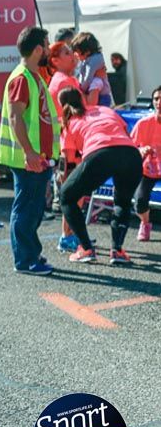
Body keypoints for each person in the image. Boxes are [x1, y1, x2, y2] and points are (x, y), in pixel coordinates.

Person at [0, 27, 60, 276]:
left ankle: (30, 253)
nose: (48, 50)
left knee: (33, 208)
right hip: (28, 159)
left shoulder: (33, 76)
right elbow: (15, 117)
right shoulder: (22, 77)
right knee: (26, 208)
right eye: (46, 45)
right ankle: (25, 260)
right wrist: (29, 152)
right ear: (37, 50)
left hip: (37, 158)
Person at [56, 86, 142, 264]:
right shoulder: (105, 109)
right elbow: (123, 135)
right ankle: (117, 251)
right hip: (131, 155)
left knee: (66, 196)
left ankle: (86, 248)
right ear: (82, 98)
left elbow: (70, 161)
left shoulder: (69, 122)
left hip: (99, 154)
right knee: (122, 202)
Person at [47, 41, 86, 253]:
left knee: (71, 189)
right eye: (67, 53)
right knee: (74, 190)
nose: (73, 55)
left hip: (66, 141)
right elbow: (77, 111)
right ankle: (67, 236)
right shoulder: (65, 81)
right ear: (55, 60)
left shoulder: (59, 79)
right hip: (71, 142)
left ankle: (72, 234)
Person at [131, 86, 161, 242]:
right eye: (156, 99)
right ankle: (145, 223)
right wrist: (141, 150)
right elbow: (130, 147)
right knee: (140, 201)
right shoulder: (143, 124)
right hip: (148, 169)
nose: (159, 102)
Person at [71, 32, 112, 107]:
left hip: (102, 97)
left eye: (78, 52)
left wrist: (81, 89)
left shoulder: (95, 60)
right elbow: (82, 74)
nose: (76, 55)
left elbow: (88, 78)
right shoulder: (87, 59)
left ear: (87, 51)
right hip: (95, 93)